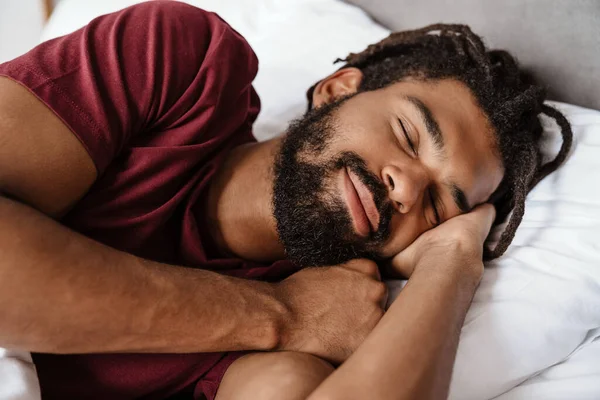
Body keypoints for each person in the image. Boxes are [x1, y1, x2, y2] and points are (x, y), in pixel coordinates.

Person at [0, 2, 572, 399]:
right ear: (336, 91)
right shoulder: (184, 68)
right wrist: (280, 315)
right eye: (406, 134)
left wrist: (452, 262)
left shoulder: (331, 324)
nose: (406, 186)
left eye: (438, 205)